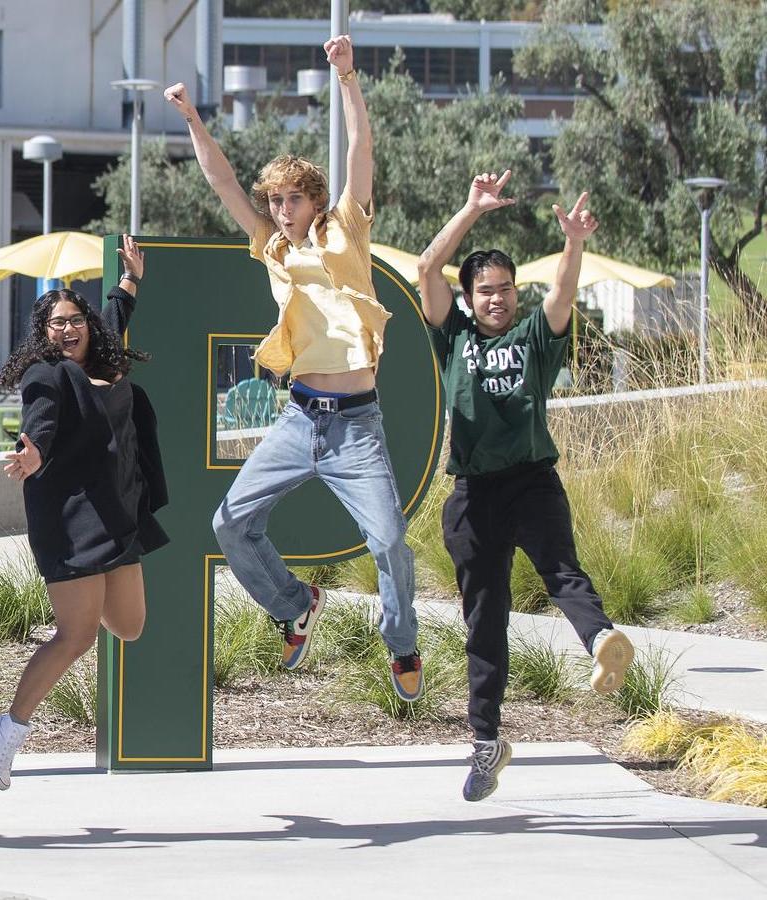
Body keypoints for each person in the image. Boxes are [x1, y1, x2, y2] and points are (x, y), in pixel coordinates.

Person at [170, 35, 424, 701]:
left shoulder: (347, 231)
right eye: (275, 203)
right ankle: (294, 604)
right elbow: (222, 181)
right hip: (299, 416)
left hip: (357, 426)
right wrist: (195, 120)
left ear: (313, 201)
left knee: (390, 541)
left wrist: (347, 79)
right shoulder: (271, 248)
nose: (281, 212)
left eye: (291, 201)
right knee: (230, 523)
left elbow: (360, 152)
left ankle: (401, 644)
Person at [415, 171, 635, 801]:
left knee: (563, 572)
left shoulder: (535, 337)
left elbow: (563, 293)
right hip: (474, 496)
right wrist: (472, 207)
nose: (498, 300)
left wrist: (572, 243)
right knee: (485, 620)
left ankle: (601, 642)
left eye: (506, 290)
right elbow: (429, 268)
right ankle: (486, 742)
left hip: (533, 481)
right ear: (470, 297)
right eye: (486, 292)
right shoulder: (451, 336)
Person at [0, 239, 169, 789]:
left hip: (118, 511)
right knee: (77, 635)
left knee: (130, 626)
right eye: (54, 325)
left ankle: (81, 611)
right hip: (71, 519)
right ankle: (9, 725)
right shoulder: (49, 375)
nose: (66, 331)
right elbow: (39, 421)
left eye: (74, 321)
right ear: (42, 335)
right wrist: (33, 451)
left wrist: (130, 281)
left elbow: (112, 318)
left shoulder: (104, 357)